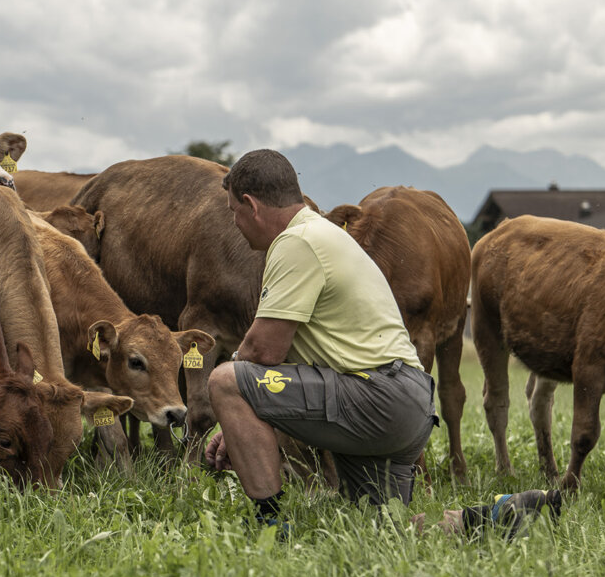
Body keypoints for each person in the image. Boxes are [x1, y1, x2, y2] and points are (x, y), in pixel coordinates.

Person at [203, 149, 559, 535]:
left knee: (225, 379)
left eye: (233, 211)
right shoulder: (323, 234)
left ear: (251, 205)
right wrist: (243, 422)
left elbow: (260, 353)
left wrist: (235, 405)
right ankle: (488, 517)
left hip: (376, 398)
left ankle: (269, 527)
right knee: (381, 529)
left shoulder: (296, 242)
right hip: (405, 404)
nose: (234, 223)